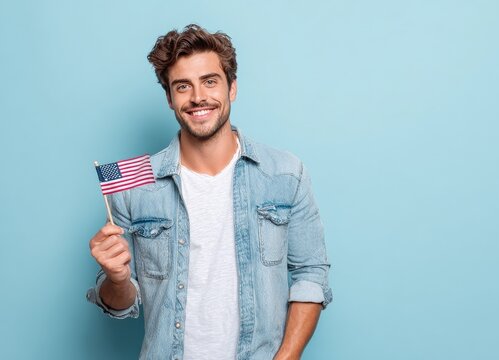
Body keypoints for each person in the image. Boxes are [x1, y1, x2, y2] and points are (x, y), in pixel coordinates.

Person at [86, 24, 332, 360]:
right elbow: (121, 305)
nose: (198, 97)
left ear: (232, 88)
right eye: (183, 86)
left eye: (210, 81)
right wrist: (116, 279)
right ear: (170, 99)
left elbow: (310, 274)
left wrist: (286, 357)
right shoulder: (134, 187)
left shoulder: (285, 174)